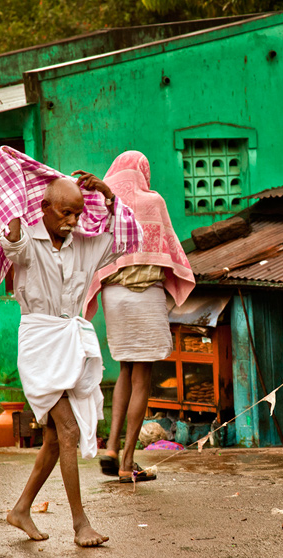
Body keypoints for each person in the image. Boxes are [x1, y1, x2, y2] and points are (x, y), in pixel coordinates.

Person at [0, 146, 142, 547]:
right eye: (65, 213)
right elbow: (10, 243)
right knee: (68, 430)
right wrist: (16, 217)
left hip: (71, 341)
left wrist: (108, 196)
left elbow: (128, 239)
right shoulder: (26, 240)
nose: (73, 221)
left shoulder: (86, 244)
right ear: (44, 208)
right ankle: (79, 524)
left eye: (78, 212)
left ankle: (21, 509)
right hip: (39, 345)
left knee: (56, 440)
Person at [81, 151, 196, 483]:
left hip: (114, 296)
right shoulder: (153, 201)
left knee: (124, 369)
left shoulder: (105, 202)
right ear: (142, 171)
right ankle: (127, 460)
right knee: (142, 375)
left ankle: (111, 448)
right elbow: (171, 248)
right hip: (145, 296)